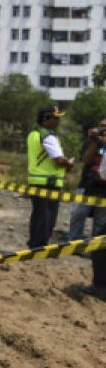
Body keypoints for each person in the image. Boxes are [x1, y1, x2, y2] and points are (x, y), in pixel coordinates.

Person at [26, 105, 74, 249]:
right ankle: (39, 246)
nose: (58, 122)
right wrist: (68, 163)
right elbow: (58, 159)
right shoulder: (47, 136)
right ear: (46, 119)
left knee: (38, 215)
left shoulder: (34, 134)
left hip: (36, 180)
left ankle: (34, 244)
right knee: (47, 217)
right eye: (55, 118)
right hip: (48, 182)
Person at [80, 117, 106, 301]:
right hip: (94, 191)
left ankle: (99, 287)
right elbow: (87, 160)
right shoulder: (95, 144)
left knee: (99, 245)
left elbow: (103, 174)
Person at [68, 119, 105, 241]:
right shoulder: (91, 141)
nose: (103, 129)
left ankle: (95, 250)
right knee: (78, 214)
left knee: (101, 220)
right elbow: (86, 160)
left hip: (104, 189)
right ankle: (74, 243)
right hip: (87, 185)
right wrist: (95, 142)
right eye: (102, 126)